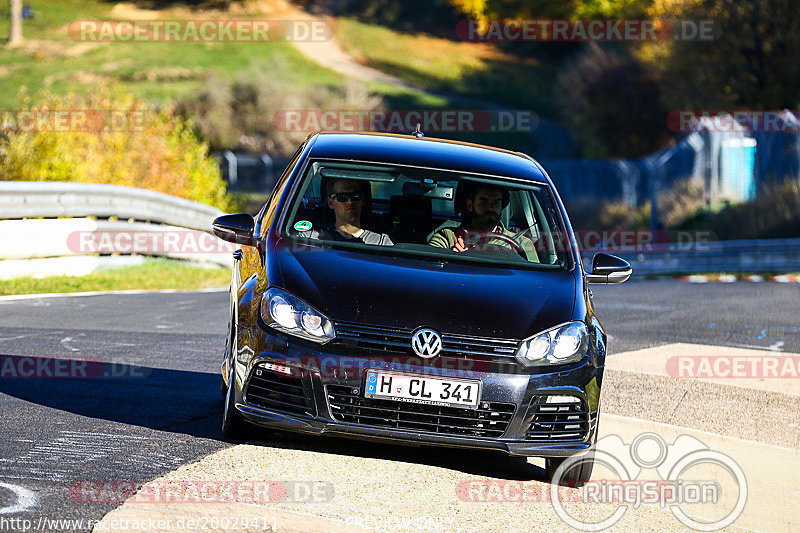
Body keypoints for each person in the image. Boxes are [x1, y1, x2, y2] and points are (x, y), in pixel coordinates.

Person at [428, 183, 538, 262]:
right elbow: (429, 272)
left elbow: (535, 281)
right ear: (470, 205)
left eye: (496, 202)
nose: (491, 207)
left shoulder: (521, 243)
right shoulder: (447, 238)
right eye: (484, 201)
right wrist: (452, 259)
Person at [299, 178, 393, 246]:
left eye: (355, 196)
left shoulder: (382, 242)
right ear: (331, 203)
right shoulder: (312, 238)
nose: (350, 201)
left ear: (363, 200)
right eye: (342, 197)